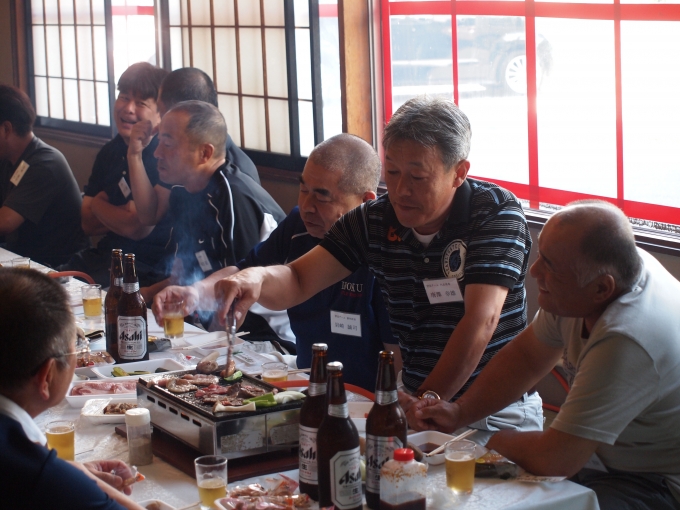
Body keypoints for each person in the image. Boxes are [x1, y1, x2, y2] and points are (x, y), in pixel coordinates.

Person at [214, 96, 542, 432]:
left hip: (492, 411)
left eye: (417, 177)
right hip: (415, 402)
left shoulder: (493, 213)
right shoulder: (374, 220)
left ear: (458, 173)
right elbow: (298, 279)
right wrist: (256, 278)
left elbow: (481, 320)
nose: (400, 190)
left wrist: (429, 400)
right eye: (393, 172)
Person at [412, 201, 680, 510]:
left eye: (550, 266)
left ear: (601, 289)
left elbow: (556, 458)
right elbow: (526, 358)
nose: (534, 271)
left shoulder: (627, 339)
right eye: (541, 255)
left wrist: (488, 442)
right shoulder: (602, 272)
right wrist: (459, 413)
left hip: (655, 480)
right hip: (597, 458)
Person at [152, 134, 399, 390]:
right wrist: (195, 293)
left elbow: (397, 361)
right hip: (309, 382)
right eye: (303, 190)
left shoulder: (384, 256)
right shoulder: (298, 228)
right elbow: (244, 271)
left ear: (366, 202)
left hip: (368, 395)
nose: (306, 206)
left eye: (322, 197)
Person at [142, 100, 288, 341]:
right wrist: (145, 294)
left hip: (264, 334)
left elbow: (236, 288)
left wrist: (202, 348)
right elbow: (182, 274)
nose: (157, 153)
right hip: (212, 323)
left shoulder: (233, 197)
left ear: (205, 153)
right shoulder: (182, 193)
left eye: (167, 144)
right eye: (159, 143)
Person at [0, 267, 145, 510]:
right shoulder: (41, 477)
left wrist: (72, 471)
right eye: (75, 347)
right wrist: (81, 483)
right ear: (46, 377)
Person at [61, 62, 171, 286]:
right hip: (104, 257)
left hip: (146, 267)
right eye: (124, 97)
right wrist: (114, 209)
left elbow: (136, 227)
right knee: (47, 287)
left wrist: (99, 205)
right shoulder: (109, 152)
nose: (128, 108)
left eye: (140, 103)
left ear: (160, 114)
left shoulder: (163, 156)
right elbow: (88, 223)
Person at [127, 67, 260, 232]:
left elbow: (150, 216)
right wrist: (134, 155)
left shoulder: (235, 181)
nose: (157, 153)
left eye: (162, 112)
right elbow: (150, 216)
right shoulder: (182, 156)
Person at [0, 85, 87, 267]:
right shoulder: (8, 159)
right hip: (21, 257)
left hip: (55, 266)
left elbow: (5, 222)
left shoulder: (46, 162)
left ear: (6, 129)